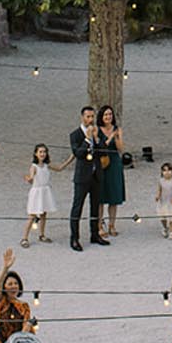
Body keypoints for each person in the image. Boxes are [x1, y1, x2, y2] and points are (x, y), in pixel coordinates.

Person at [69, 105, 107, 250]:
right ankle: (74, 238)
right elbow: (78, 153)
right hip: (82, 177)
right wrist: (87, 139)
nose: (90, 120)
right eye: (88, 117)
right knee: (77, 208)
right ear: (82, 117)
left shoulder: (97, 131)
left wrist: (96, 138)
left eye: (92, 117)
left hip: (96, 175)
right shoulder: (75, 135)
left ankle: (95, 234)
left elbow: (104, 150)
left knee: (95, 206)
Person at [98, 105, 127, 238]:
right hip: (103, 163)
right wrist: (109, 138)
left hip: (114, 162)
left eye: (110, 114)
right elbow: (100, 146)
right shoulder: (97, 130)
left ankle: (112, 224)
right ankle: (99, 225)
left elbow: (121, 149)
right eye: (106, 115)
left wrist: (117, 137)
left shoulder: (117, 129)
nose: (108, 117)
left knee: (114, 197)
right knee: (101, 196)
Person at [23, 144, 56, 246]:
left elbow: (59, 168)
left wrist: (70, 159)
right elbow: (31, 177)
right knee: (32, 216)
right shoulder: (34, 166)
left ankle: (42, 235)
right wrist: (29, 179)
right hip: (37, 192)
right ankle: (24, 238)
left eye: (44, 152)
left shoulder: (47, 165)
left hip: (45, 191)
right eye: (40, 152)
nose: (42, 154)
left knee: (43, 214)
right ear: (36, 153)